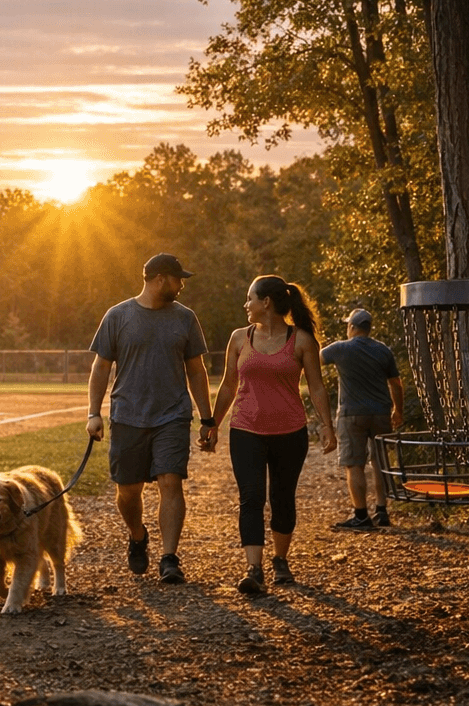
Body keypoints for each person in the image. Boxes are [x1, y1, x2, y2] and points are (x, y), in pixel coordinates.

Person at [87, 253, 214, 586]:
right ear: (160, 279)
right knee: (128, 491)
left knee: (170, 482)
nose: (182, 285)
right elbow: (101, 367)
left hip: (172, 415)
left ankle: (169, 558)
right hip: (128, 415)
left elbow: (196, 371)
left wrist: (207, 417)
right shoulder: (118, 316)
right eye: (178, 279)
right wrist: (93, 413)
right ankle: (138, 534)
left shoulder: (185, 319)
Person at [207, 275, 336, 595]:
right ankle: (254, 568)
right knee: (251, 498)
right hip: (246, 430)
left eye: (250, 298)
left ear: (266, 303)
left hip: (290, 432)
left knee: (282, 498)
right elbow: (228, 386)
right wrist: (212, 424)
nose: (245, 304)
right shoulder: (239, 338)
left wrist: (327, 426)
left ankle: (280, 559)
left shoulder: (303, 340)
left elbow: (317, 387)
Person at [321, 308, 404, 530]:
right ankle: (382, 511)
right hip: (381, 413)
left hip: (352, 414)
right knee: (379, 462)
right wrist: (398, 410)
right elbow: (395, 383)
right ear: (369, 328)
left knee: (354, 464)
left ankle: (360, 516)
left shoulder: (341, 348)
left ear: (352, 327)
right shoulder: (383, 351)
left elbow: (313, 358)